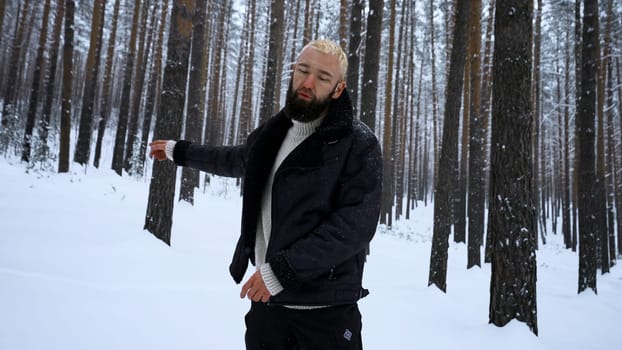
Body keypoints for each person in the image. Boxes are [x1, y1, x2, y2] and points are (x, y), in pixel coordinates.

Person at [149, 39, 382, 350]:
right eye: (303, 70)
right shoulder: (273, 133)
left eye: (323, 77)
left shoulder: (356, 142)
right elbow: (234, 159)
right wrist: (180, 152)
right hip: (268, 309)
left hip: (326, 316)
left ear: (338, 89)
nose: (308, 82)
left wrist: (282, 271)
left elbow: (355, 225)